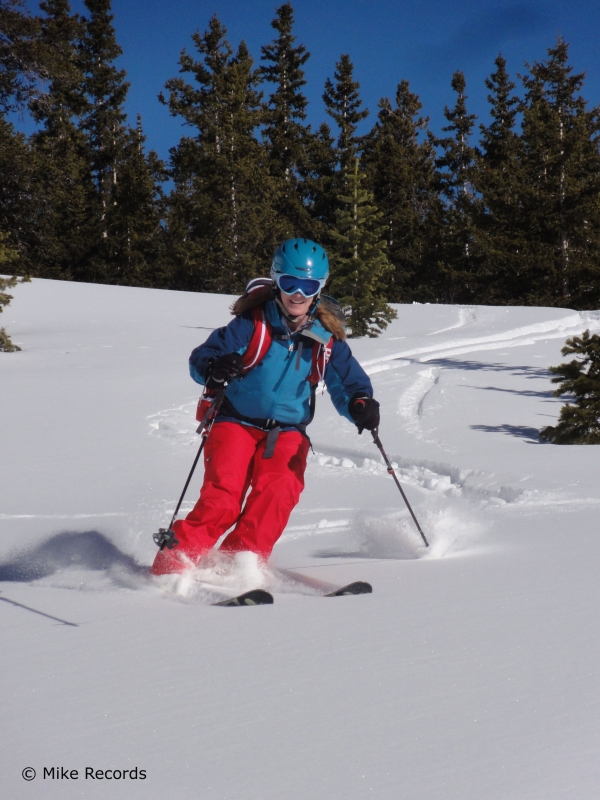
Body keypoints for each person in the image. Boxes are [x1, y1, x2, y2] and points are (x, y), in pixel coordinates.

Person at [151, 238, 380, 576]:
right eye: (290, 283)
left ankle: (239, 559)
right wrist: (214, 368)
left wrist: (360, 404)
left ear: (320, 287)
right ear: (276, 281)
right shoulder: (251, 324)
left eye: (308, 286)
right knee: (223, 499)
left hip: (288, 430)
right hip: (235, 422)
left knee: (279, 489)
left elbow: (348, 383)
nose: (298, 294)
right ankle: (175, 561)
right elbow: (203, 357)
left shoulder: (325, 336)